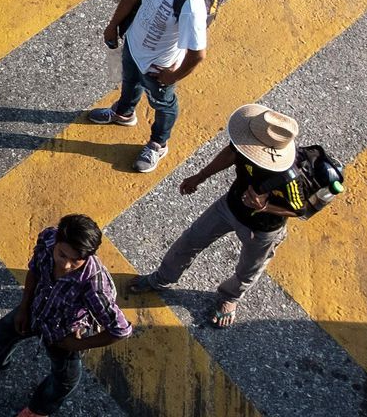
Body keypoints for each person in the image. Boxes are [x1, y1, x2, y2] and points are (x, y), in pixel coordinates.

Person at [130, 105, 309, 329]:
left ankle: (230, 297)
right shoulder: (248, 142)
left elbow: (300, 209)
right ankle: (162, 278)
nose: (242, 144)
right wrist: (200, 176)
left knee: (248, 270)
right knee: (190, 241)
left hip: (262, 229)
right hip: (229, 205)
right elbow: (230, 153)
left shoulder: (289, 177)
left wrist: (265, 206)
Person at [0, 214, 132, 417]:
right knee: (5, 329)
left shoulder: (96, 287)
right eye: (62, 255)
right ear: (56, 241)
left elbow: (120, 330)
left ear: (89, 256)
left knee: (65, 380)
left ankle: (38, 409)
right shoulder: (48, 238)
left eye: (76, 261)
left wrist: (75, 345)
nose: (66, 265)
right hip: (34, 310)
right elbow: (35, 271)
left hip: (63, 334)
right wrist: (24, 307)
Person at [87, 0, 210, 173]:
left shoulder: (190, 5)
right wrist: (113, 26)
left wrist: (172, 76)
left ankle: (158, 143)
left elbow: (198, 53)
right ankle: (124, 113)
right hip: (134, 45)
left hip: (157, 67)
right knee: (129, 81)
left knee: (163, 104)